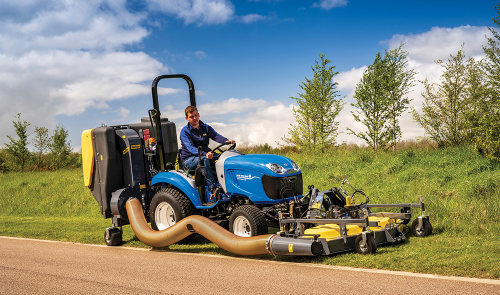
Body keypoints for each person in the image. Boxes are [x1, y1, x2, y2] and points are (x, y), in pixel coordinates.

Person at [180, 105, 235, 198]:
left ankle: (229, 185)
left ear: (199, 115)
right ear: (186, 118)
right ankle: (213, 188)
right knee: (205, 159)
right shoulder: (185, 132)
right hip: (189, 159)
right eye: (191, 116)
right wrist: (205, 154)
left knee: (224, 157)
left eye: (196, 115)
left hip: (205, 154)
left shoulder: (205, 127)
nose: (194, 118)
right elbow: (191, 148)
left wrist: (226, 141)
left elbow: (216, 136)